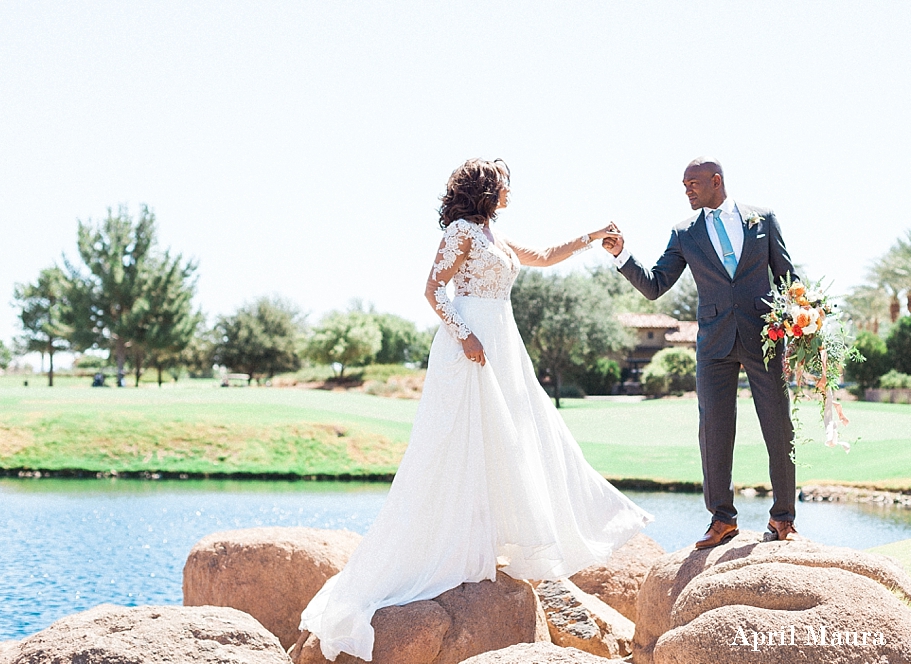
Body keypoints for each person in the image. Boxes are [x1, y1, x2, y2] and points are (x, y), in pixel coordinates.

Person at [299, 158, 652, 662]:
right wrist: (464, 336)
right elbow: (432, 291)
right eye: (505, 186)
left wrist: (593, 236)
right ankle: (450, 550)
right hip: (469, 347)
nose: (510, 194)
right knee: (459, 444)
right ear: (486, 190)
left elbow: (547, 255)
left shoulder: (495, 234)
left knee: (516, 439)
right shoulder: (463, 232)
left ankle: (494, 544)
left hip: (503, 347)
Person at [602, 157, 797, 549]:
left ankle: (783, 519)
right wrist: (622, 255)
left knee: (779, 427)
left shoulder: (764, 219)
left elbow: (788, 278)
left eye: (692, 183)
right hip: (714, 345)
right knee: (714, 431)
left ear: (715, 181)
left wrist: (803, 321)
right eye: (684, 185)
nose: (687, 190)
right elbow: (656, 285)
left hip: (765, 338)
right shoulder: (684, 233)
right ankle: (722, 519)